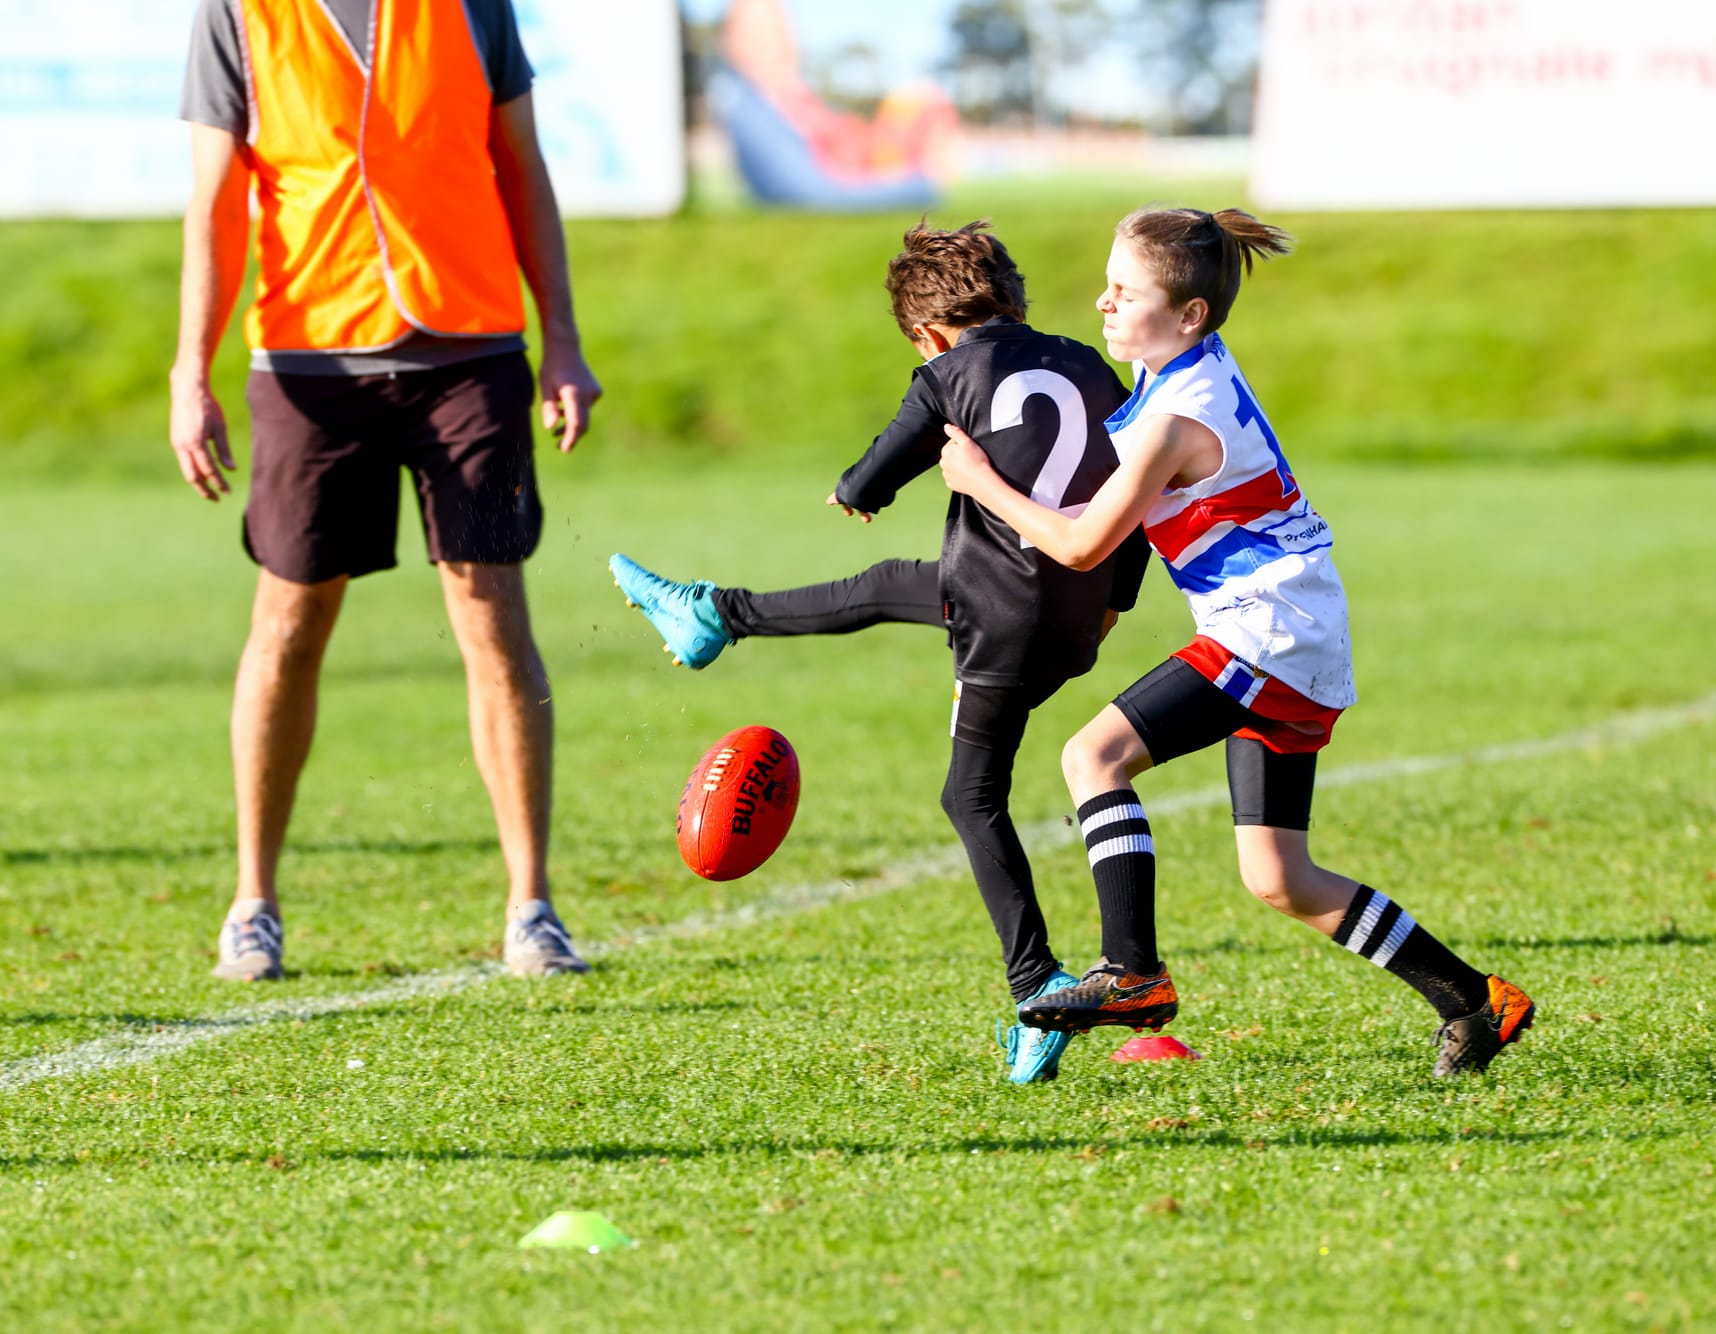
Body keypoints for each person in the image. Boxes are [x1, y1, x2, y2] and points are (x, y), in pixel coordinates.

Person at [937, 207, 1535, 1076]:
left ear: (1190, 316)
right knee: (1280, 878)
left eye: (1126, 292)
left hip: (1269, 632)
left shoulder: (1178, 420)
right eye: (1107, 282)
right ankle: (1477, 1001)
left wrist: (979, 480)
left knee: (1093, 757)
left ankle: (1132, 971)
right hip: (1292, 630)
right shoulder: (1181, 373)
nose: (1102, 302)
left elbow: (1077, 544)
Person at [611, 221, 1152, 1082]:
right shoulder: (1090, 362)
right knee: (887, 586)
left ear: (926, 333)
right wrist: (1116, 603)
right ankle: (712, 613)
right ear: (1014, 301)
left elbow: (876, 473)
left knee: (970, 797)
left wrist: (852, 488)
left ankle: (1035, 985)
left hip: (1001, 607)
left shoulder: (946, 369)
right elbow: (1137, 491)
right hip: (1076, 612)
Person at [168, 0, 603, 981]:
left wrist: (561, 339)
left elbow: (522, 168)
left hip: (471, 351)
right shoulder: (236, 13)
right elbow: (213, 200)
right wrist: (189, 374)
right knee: (288, 620)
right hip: (307, 360)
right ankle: (253, 902)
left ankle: (531, 904)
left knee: (491, 615)